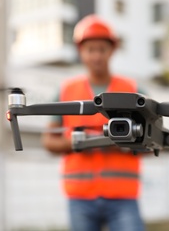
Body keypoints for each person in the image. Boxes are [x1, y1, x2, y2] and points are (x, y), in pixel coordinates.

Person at [42, 15, 145, 231]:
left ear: (112, 50)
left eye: (102, 49)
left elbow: (155, 140)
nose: (97, 56)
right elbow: (48, 140)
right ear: (81, 52)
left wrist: (127, 143)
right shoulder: (65, 91)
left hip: (123, 195)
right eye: (91, 49)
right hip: (80, 196)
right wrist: (77, 142)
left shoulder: (134, 91)